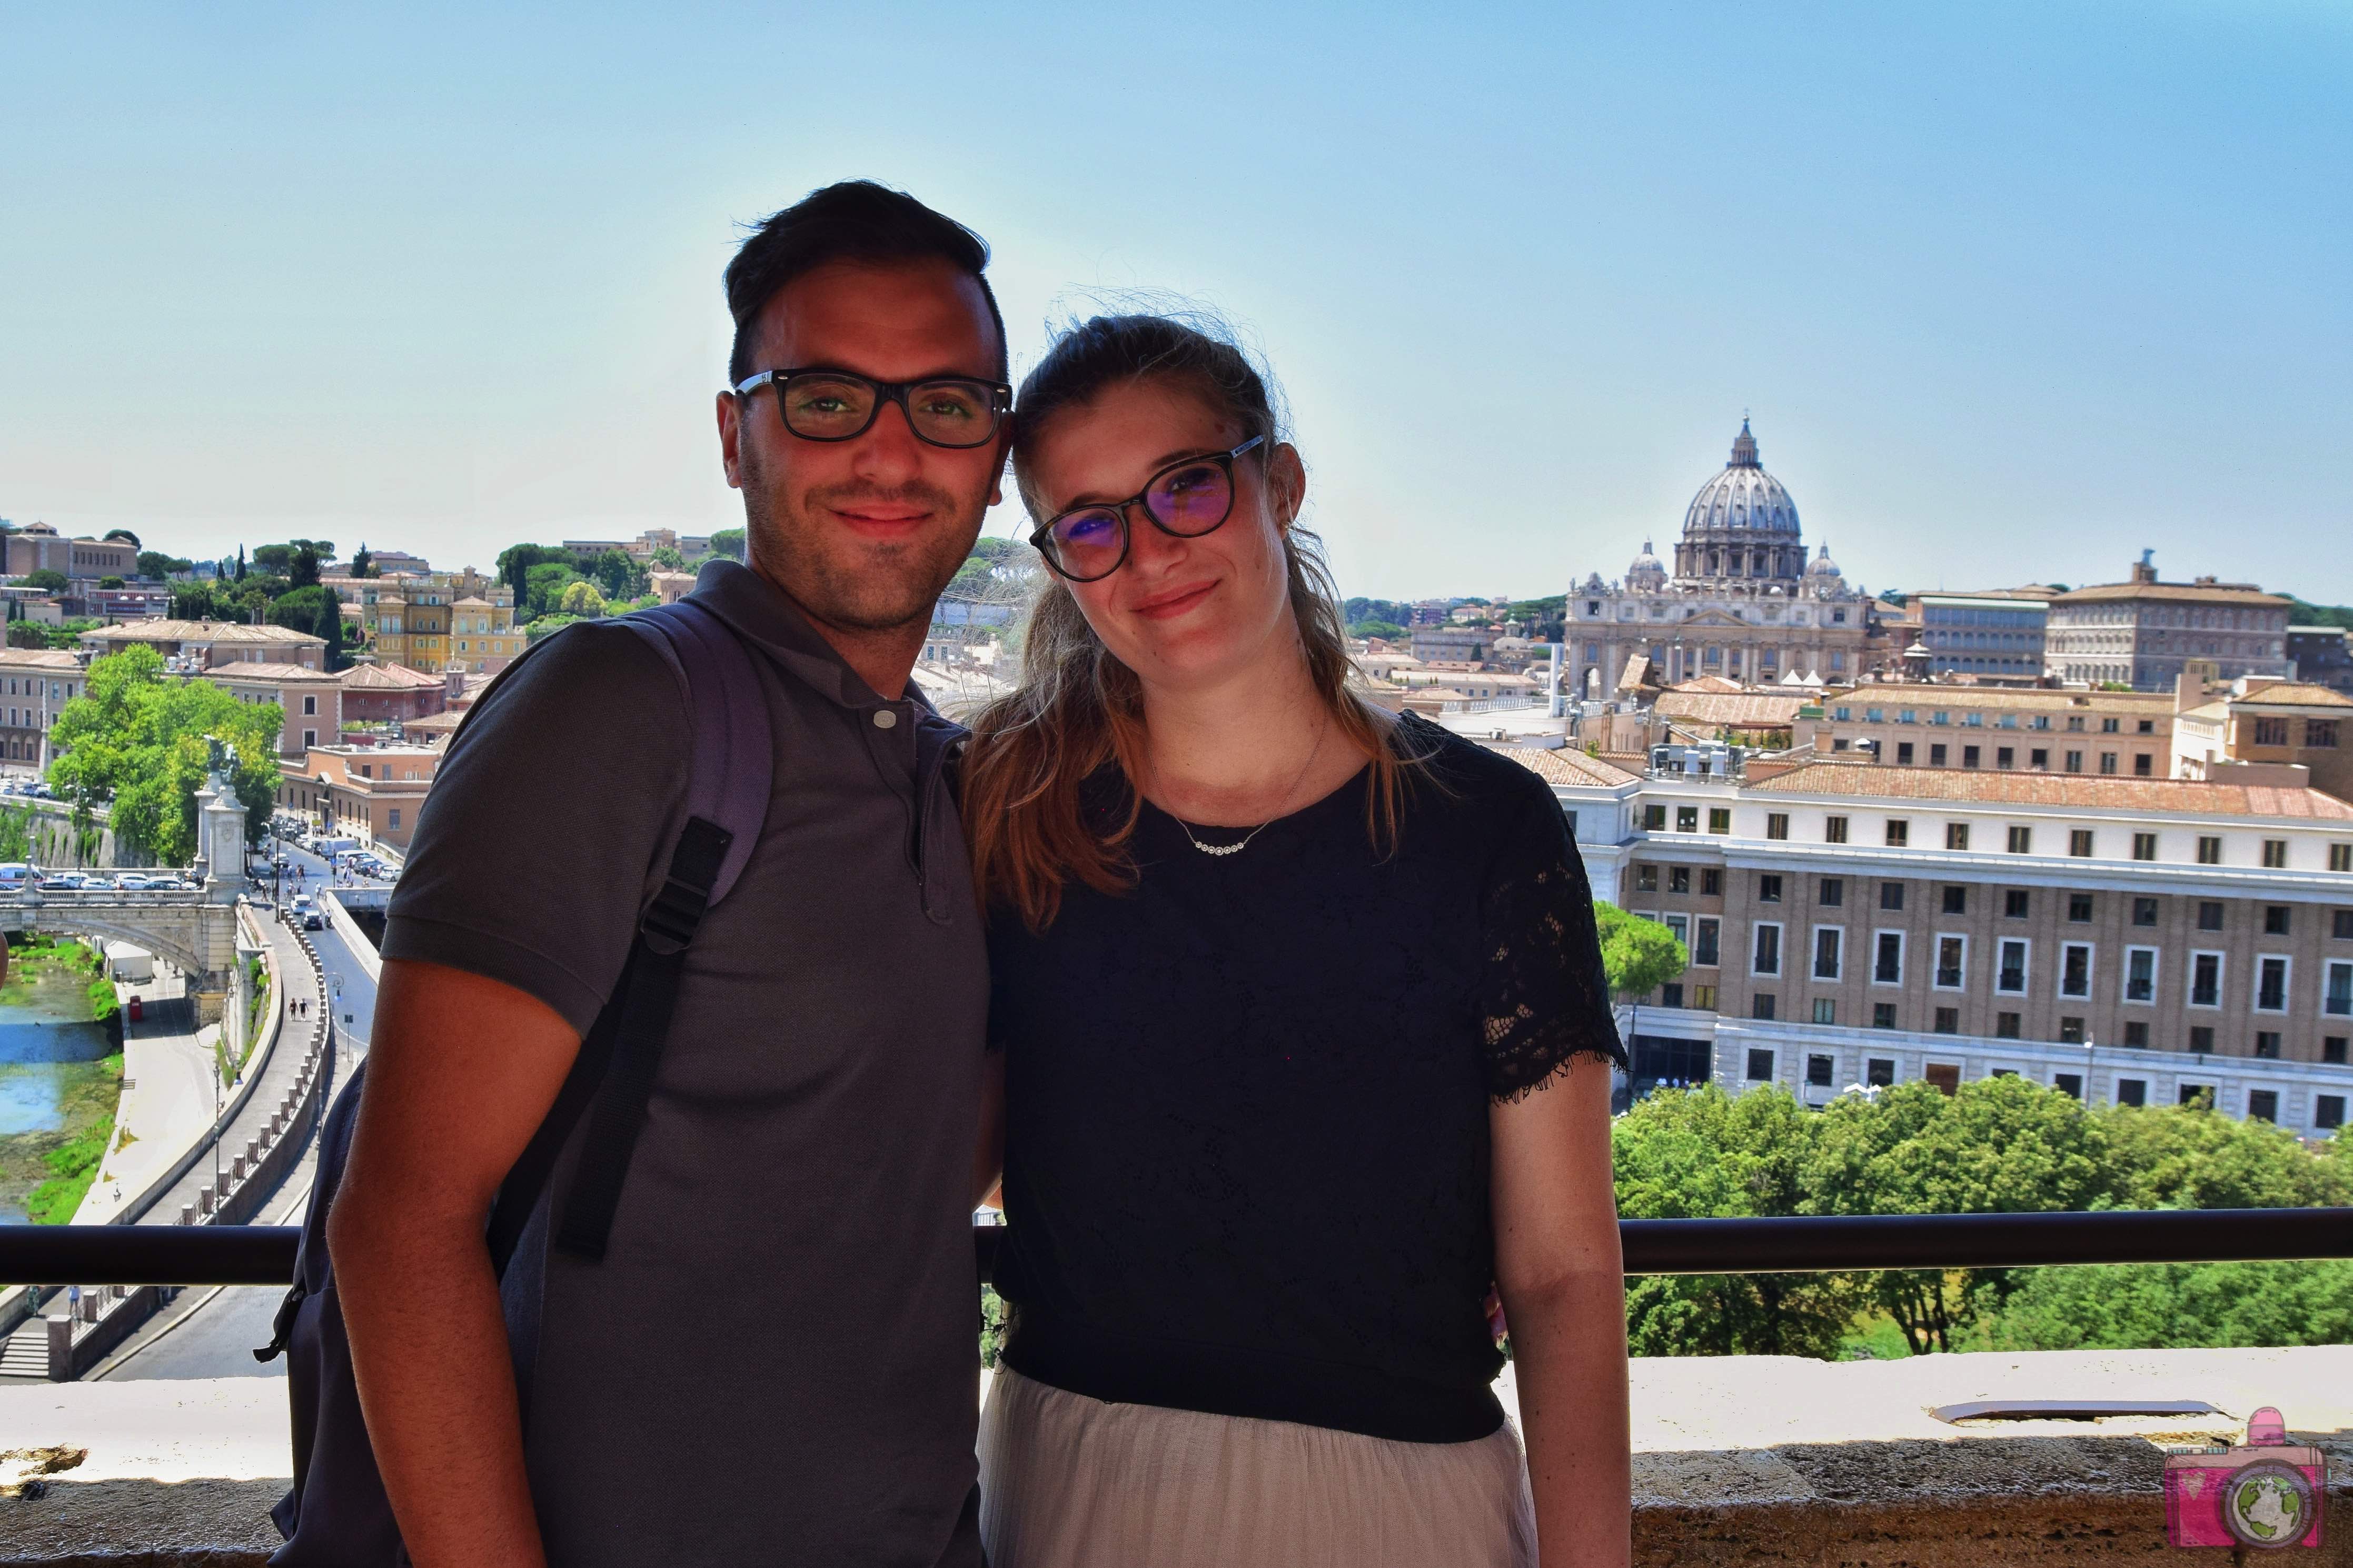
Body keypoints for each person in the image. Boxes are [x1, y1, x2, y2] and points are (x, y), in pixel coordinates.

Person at [329, 182, 1013, 1567]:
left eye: (945, 404)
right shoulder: (618, 707)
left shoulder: (957, 781)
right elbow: (401, 1220)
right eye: (826, 398)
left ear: (996, 453)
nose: (889, 451)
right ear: (731, 433)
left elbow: (932, 1169)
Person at [962, 315, 1632, 1567]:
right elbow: (949, 1156)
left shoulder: (1485, 827)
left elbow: (1560, 1273)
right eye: (1092, 523)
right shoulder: (1011, 806)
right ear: (1060, 563)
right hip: (1071, 1491)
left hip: (1402, 1509)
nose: (1149, 551)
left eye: (1186, 486)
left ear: (1279, 481)